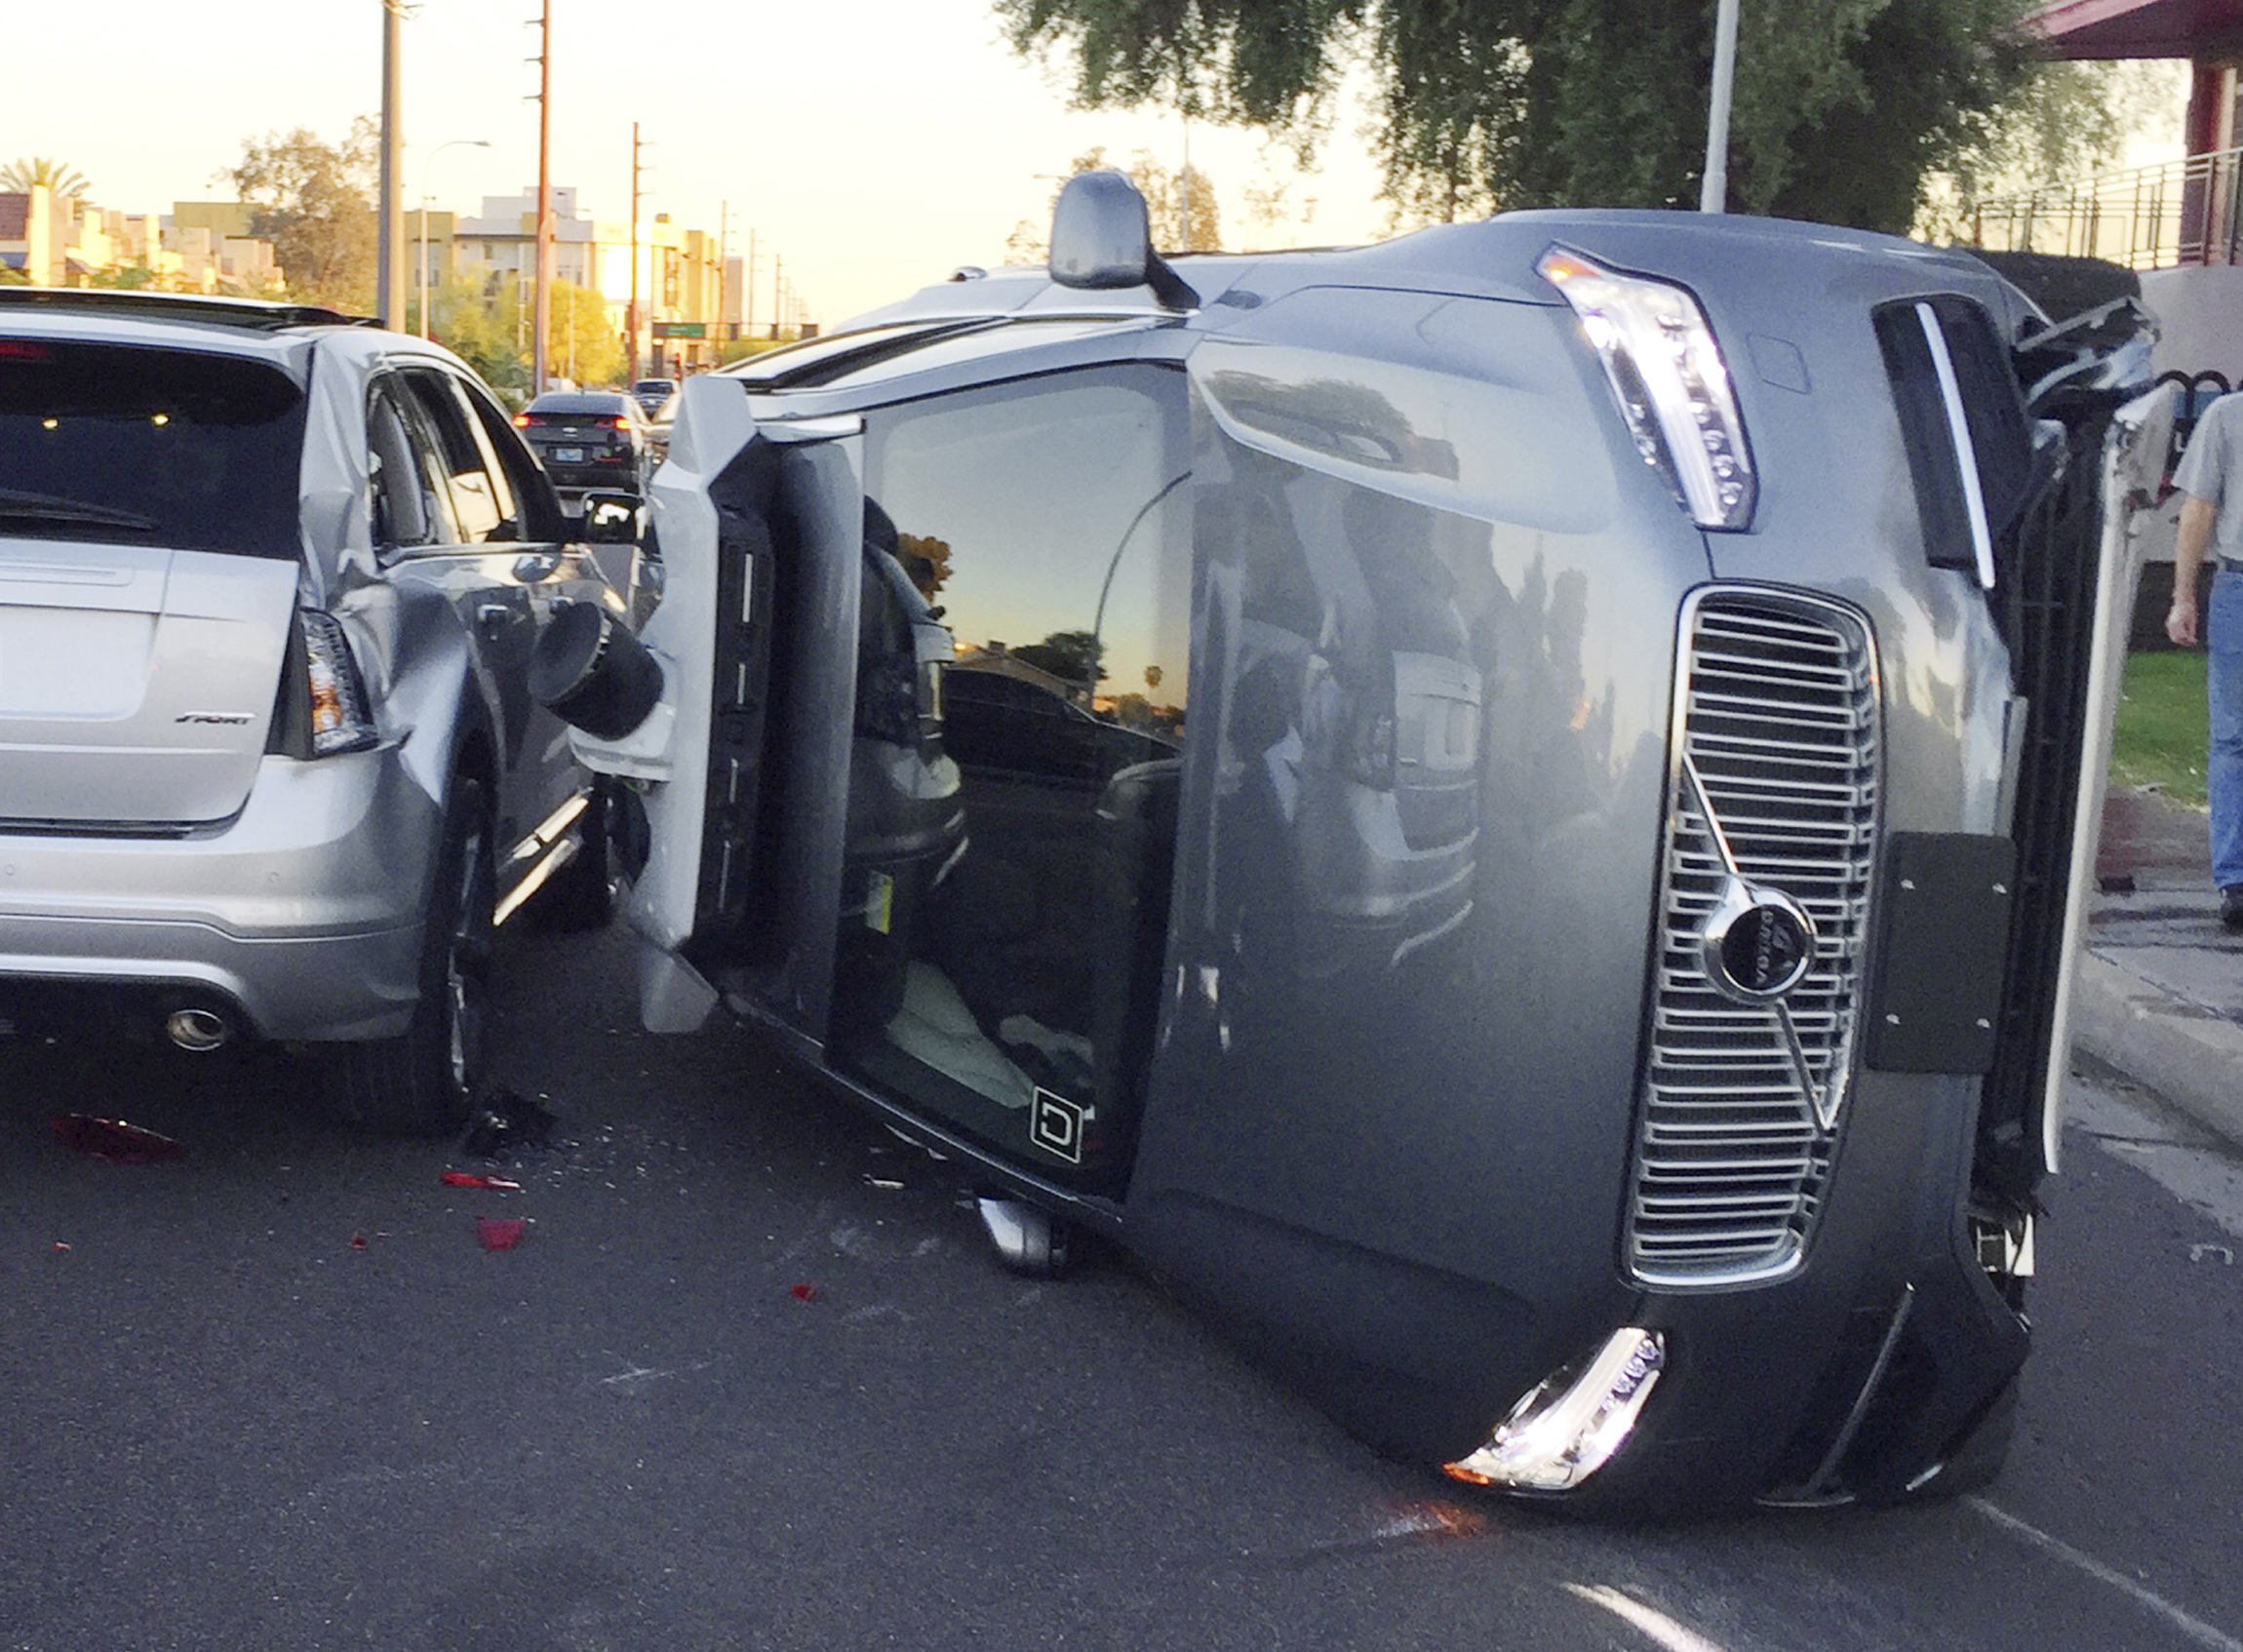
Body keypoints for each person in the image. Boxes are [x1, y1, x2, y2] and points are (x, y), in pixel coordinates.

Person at [2168, 391, 2243, 928]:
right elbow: (2199, 508)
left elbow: (2200, 508)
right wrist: (2183, 596)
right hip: (2239, 583)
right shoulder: (2226, 417)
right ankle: (2235, 878)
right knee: (2234, 737)